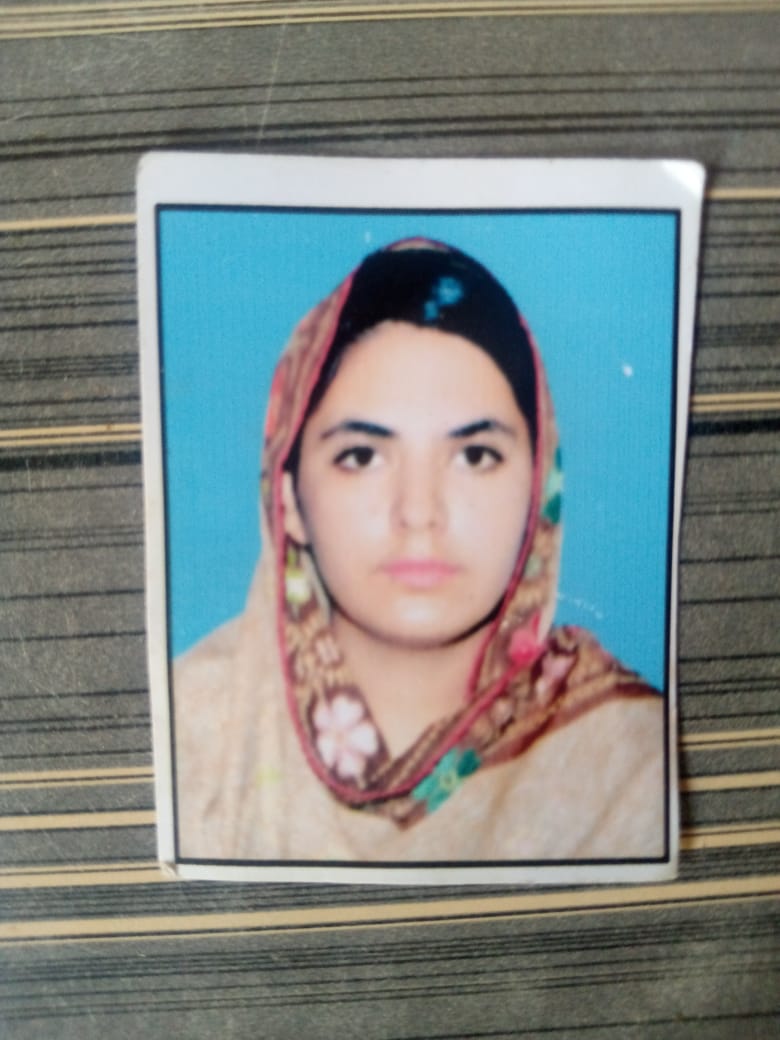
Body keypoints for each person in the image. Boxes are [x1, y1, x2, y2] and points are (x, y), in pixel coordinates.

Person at [173, 238, 666, 863]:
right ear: (288, 497)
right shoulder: (192, 737)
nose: (419, 513)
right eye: (361, 456)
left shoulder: (628, 766)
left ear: (539, 490)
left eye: (475, 456)